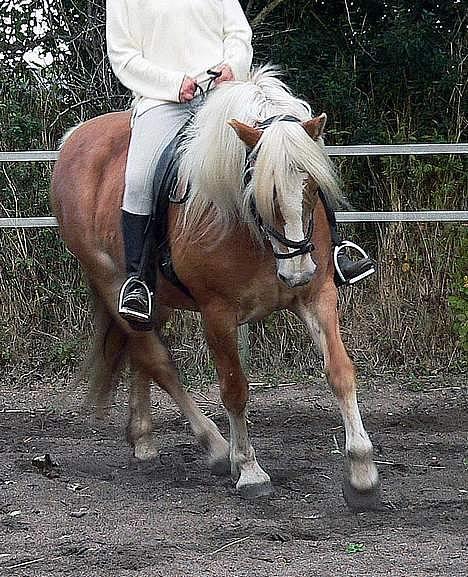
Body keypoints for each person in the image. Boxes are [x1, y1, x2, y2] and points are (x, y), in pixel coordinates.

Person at [106, 0, 374, 329]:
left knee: (299, 142)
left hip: (227, 93)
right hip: (162, 102)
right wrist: (173, 84)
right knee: (139, 178)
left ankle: (336, 247)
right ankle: (139, 281)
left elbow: (238, 33)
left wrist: (231, 66)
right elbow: (123, 56)